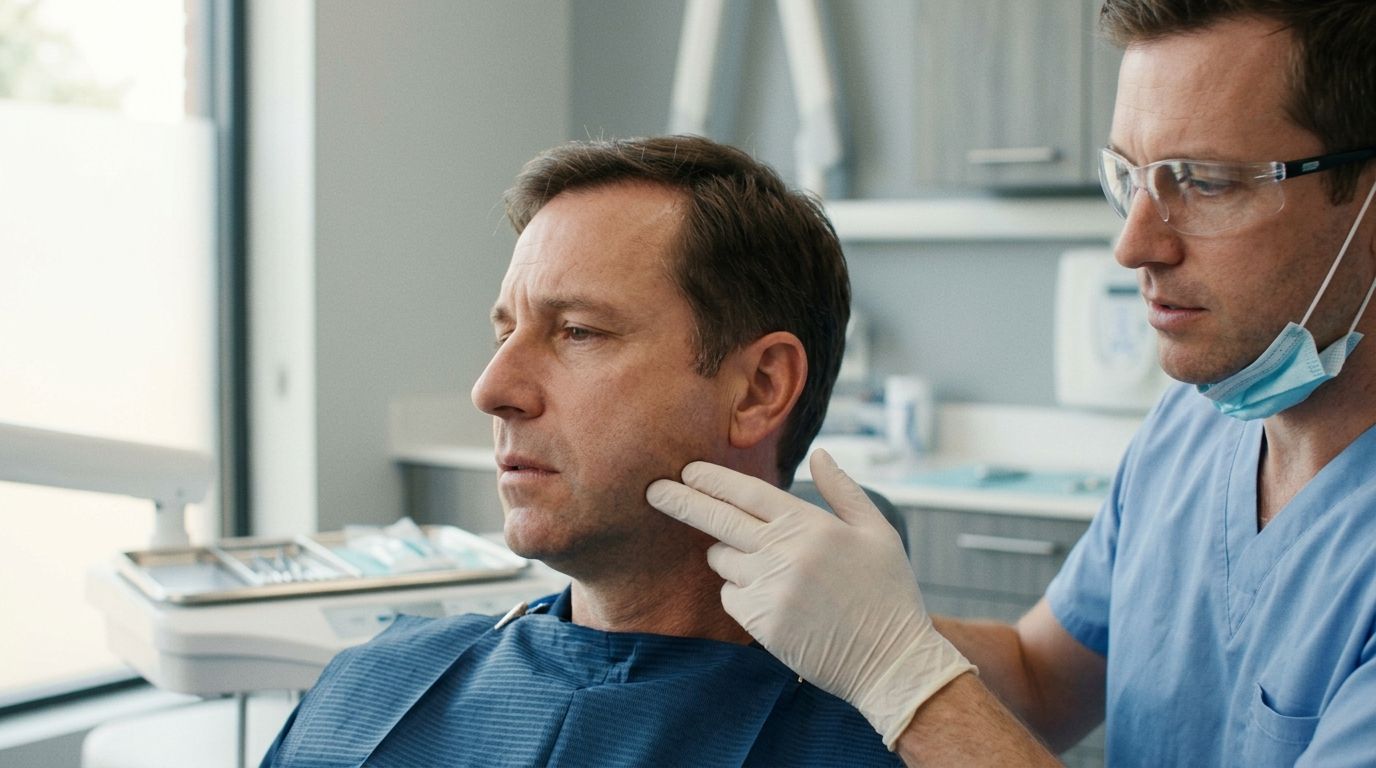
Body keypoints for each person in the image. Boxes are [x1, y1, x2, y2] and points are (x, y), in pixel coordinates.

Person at [647, 1, 1376, 765]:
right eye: (1129, 176)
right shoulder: (1189, 432)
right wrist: (834, 618)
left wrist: (899, 670)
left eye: (1205, 182)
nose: (1133, 244)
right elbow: (1042, 679)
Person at [260, 135, 904, 766]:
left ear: (758, 390)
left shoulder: (891, 742)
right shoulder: (369, 685)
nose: (491, 391)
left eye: (578, 332)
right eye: (505, 333)